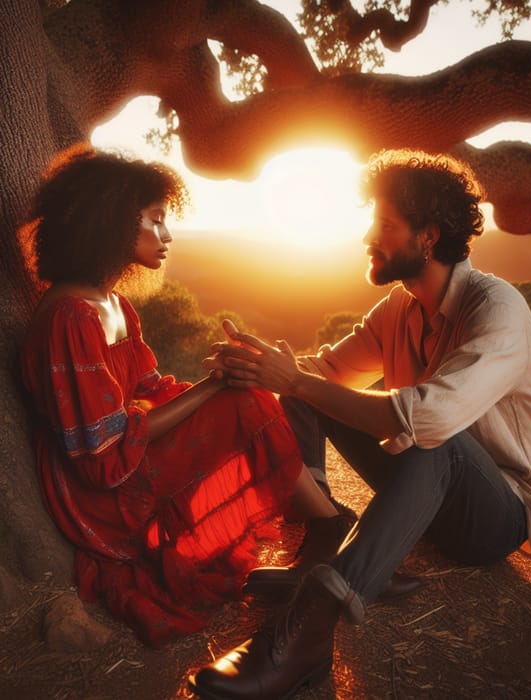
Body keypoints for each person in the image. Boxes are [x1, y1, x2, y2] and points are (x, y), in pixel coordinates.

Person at [189, 148, 531, 699]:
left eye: (384, 223)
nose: (366, 236)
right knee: (308, 385)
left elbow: (428, 420)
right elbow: (324, 374)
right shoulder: (400, 308)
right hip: (424, 492)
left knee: (434, 435)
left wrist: (294, 380)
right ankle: (326, 533)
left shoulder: (496, 308)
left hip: (495, 514)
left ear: (427, 236)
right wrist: (261, 365)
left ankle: (312, 629)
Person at [18, 145, 353, 648]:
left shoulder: (115, 306)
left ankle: (329, 531)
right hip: (99, 494)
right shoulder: (71, 317)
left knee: (246, 392)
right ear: (110, 221)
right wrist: (214, 390)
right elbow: (101, 451)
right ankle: (332, 530)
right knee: (243, 402)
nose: (167, 234)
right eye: (155, 220)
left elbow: (150, 391)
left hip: (128, 457)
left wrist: (223, 374)